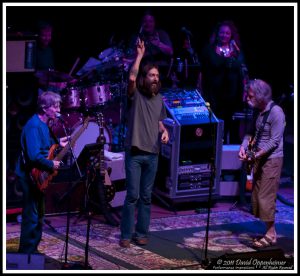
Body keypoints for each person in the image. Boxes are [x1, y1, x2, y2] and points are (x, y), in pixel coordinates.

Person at [119, 39, 169, 248]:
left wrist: (164, 131)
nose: (155, 78)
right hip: (135, 152)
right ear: (144, 78)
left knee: (147, 197)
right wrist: (139, 55)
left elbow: (158, 122)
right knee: (132, 195)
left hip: (153, 154)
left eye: (157, 75)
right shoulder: (136, 95)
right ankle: (126, 235)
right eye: (151, 75)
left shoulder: (159, 99)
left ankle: (141, 233)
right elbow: (131, 77)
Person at [15, 91, 69, 253]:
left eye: (59, 105)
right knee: (31, 217)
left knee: (39, 215)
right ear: (44, 108)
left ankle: (33, 251)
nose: (58, 109)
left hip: (38, 175)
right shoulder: (33, 126)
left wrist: (58, 142)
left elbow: (45, 145)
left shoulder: (44, 124)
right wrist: (51, 164)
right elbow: (34, 155)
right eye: (55, 106)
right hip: (29, 176)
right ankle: (26, 255)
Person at [238, 79, 285, 248]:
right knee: (257, 196)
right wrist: (243, 148)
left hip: (272, 160)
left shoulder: (276, 112)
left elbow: (274, 140)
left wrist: (256, 154)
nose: (247, 99)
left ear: (260, 96)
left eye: (250, 96)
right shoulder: (257, 111)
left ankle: (271, 234)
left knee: (266, 197)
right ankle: (270, 231)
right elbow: (249, 132)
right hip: (258, 158)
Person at [198, 20, 248, 144]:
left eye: (227, 33)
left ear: (231, 35)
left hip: (231, 94)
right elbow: (202, 70)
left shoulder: (236, 51)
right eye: (222, 33)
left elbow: (241, 67)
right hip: (214, 93)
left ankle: (229, 152)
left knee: (231, 125)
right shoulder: (209, 49)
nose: (224, 35)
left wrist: (233, 53)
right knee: (216, 124)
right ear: (217, 34)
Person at [127, 11, 173, 86]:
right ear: (141, 23)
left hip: (161, 74)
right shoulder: (137, 37)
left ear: (154, 23)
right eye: (145, 21)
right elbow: (131, 55)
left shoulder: (161, 34)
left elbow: (170, 51)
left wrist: (158, 44)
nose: (148, 24)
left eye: (150, 21)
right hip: (142, 75)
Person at [35, 21, 71, 95]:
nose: (47, 38)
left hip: (50, 88)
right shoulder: (33, 50)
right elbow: (35, 79)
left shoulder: (49, 50)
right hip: (39, 90)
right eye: (44, 35)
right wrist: (55, 84)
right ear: (38, 35)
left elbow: (52, 73)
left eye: (49, 35)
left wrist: (67, 79)